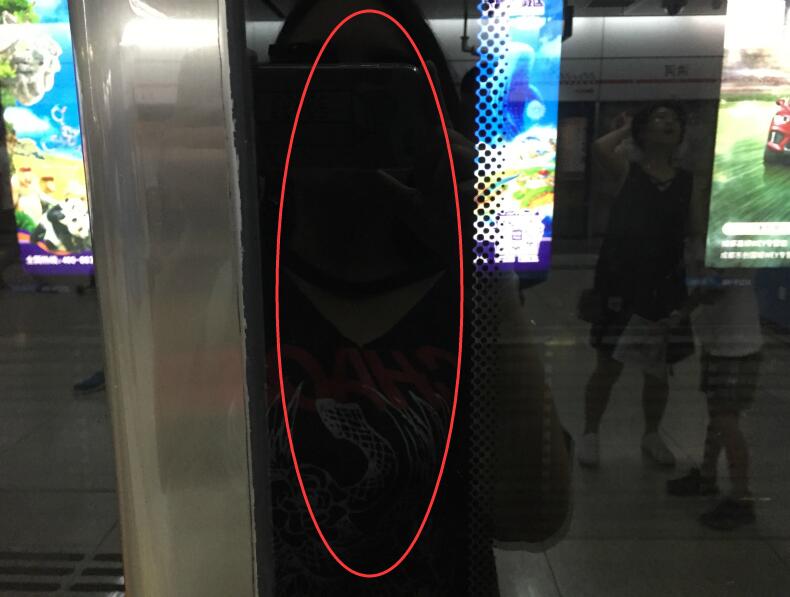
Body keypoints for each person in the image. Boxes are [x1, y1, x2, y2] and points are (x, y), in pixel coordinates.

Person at [260, 1, 570, 594]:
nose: (350, 103)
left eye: (383, 76)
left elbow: (532, 514)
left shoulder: (468, 289)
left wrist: (483, 261)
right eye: (313, 69)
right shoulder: (235, 280)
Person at [578, 103, 694, 468]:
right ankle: (590, 433)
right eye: (658, 117)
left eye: (673, 119)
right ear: (643, 130)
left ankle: (651, 435)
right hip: (622, 285)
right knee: (608, 365)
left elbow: (694, 232)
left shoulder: (688, 181)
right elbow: (600, 147)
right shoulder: (629, 171)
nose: (668, 122)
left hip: (665, 285)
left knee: (657, 369)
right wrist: (628, 128)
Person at [667, 259, 763, 530]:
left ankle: (741, 498)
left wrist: (682, 311)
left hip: (737, 346)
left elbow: (713, 288)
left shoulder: (730, 243)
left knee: (725, 419)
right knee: (717, 414)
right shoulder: (704, 241)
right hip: (719, 342)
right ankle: (707, 477)